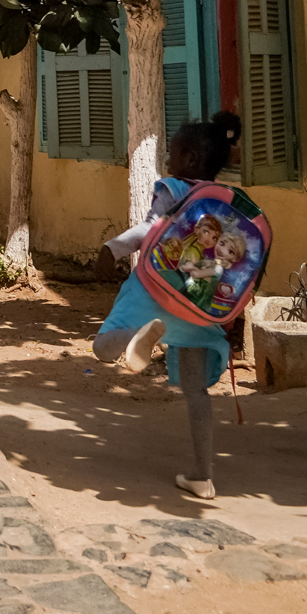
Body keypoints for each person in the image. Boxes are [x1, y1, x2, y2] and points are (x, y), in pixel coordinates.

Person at [91, 112, 242, 501]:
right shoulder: (226, 203)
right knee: (196, 391)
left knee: (103, 348)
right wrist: (235, 315)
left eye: (172, 153)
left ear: (190, 158)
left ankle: (138, 336)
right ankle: (202, 476)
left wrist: (113, 248)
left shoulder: (173, 188)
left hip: (156, 289)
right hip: (199, 302)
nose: (168, 161)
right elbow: (234, 263)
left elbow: (151, 228)